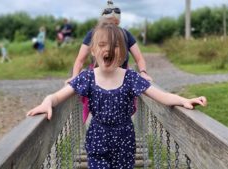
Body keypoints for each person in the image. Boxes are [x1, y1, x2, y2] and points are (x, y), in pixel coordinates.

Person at [27, 23, 207, 169]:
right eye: (102, 45)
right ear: (93, 51)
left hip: (125, 140)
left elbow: (162, 96)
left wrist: (184, 100)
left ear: (122, 53)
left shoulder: (130, 77)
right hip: (97, 138)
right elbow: (57, 97)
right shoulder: (87, 77)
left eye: (115, 46)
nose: (108, 50)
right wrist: (47, 101)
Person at [65, 0, 152, 83]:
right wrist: (74, 76)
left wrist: (143, 72)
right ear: (102, 22)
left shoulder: (125, 34)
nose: (110, 29)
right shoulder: (93, 34)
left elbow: (139, 58)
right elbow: (80, 59)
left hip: (122, 80)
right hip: (97, 80)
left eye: (113, 24)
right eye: (107, 24)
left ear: (118, 22)